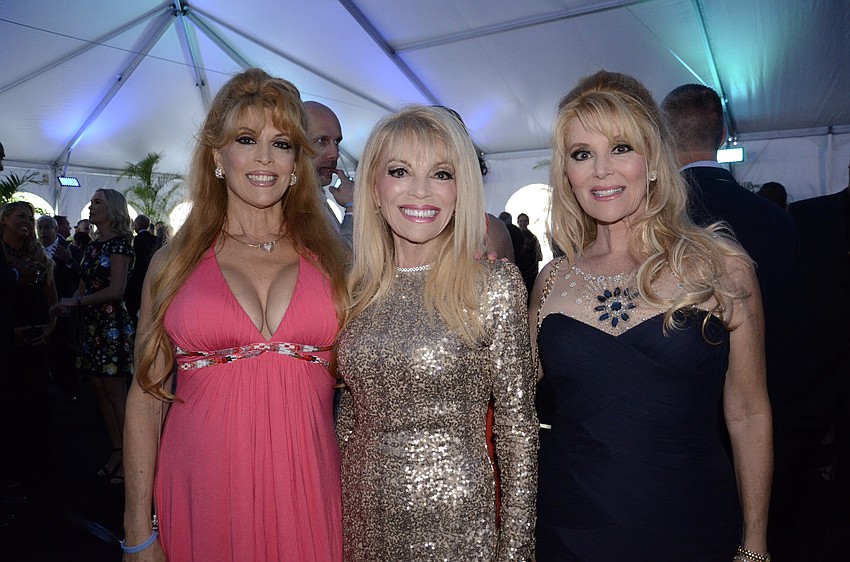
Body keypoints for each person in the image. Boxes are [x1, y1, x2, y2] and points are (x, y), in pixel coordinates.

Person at [532, 71, 772, 560]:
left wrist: (756, 544)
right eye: (582, 154)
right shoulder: (551, 280)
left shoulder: (722, 267)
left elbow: (748, 413)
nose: (601, 170)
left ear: (654, 161)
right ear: (567, 174)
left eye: (621, 148)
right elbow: (517, 402)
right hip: (570, 524)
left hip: (690, 521)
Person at [122, 68, 348, 561]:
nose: (265, 158)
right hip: (202, 489)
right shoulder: (173, 262)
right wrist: (138, 530)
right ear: (218, 155)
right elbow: (146, 398)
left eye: (282, 143)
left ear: (297, 162)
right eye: (247, 139)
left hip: (308, 486)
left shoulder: (336, 262)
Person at [336, 104, 538, 560]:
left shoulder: (493, 284)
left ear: (461, 188)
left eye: (442, 174)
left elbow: (517, 429)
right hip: (359, 515)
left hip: (456, 521)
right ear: (373, 187)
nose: (421, 191)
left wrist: (517, 551)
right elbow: (350, 414)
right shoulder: (357, 288)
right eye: (400, 171)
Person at [661, 84, 803, 556]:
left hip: (676, 437)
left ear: (662, 135)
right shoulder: (777, 220)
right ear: (723, 133)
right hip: (771, 409)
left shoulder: (658, 221)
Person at [54, 189, 135, 486]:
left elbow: (116, 290)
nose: (91, 206)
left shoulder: (121, 245)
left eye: (97, 202)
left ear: (112, 209)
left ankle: (132, 458)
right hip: (92, 326)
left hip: (112, 326)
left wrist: (75, 303)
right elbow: (83, 286)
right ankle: (117, 450)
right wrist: (68, 303)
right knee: (98, 390)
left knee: (116, 394)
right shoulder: (91, 245)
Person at [1, 202, 57, 506]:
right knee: (10, 407)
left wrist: (50, 327)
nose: (27, 221)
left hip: (36, 341)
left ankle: (37, 470)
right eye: (21, 216)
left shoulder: (38, 255)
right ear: (5, 220)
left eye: (31, 218)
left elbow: (52, 299)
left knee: (35, 402)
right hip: (7, 342)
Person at [38, 215, 83, 401]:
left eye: (46, 227)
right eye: (39, 228)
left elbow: (82, 276)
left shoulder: (69, 249)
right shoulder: (34, 251)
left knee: (64, 348)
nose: (43, 232)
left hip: (64, 307)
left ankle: (70, 389)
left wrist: (69, 261)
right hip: (40, 308)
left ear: (55, 229)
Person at [305, 101, 355, 244]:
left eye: (336, 142)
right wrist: (352, 208)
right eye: (322, 141)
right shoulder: (293, 206)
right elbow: (340, 261)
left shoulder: (317, 198)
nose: (335, 154)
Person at [124, 214, 157, 325]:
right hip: (153, 278)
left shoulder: (135, 241)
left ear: (138, 224)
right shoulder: (156, 240)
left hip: (137, 279)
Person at [516, 212, 542, 293]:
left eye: (524, 221)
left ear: (528, 222)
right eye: (521, 221)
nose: (523, 223)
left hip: (530, 269)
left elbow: (537, 255)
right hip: (518, 267)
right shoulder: (514, 235)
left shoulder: (533, 237)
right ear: (518, 222)